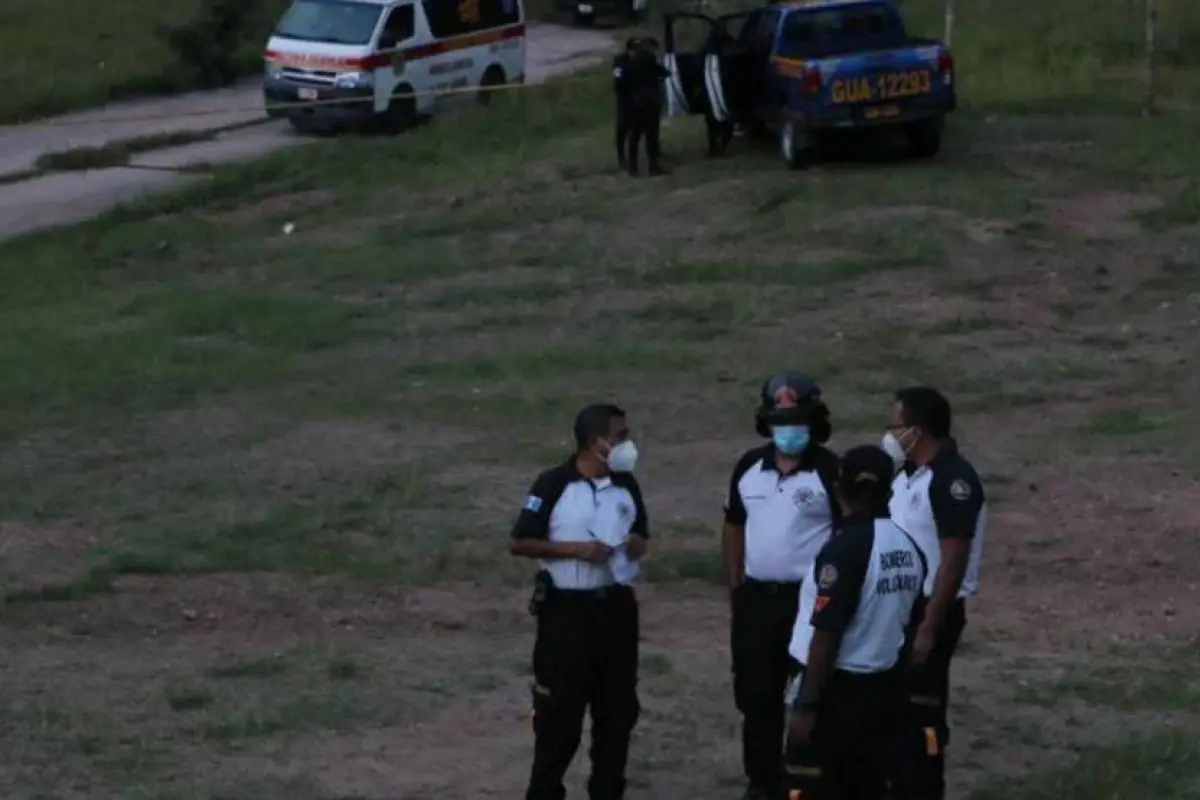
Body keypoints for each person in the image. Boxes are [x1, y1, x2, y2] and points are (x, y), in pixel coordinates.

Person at [509, 403, 651, 800]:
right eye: (620, 437)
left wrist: (637, 545)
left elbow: (640, 533)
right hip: (566, 612)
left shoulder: (627, 486)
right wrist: (576, 550)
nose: (628, 444)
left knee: (617, 711)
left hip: (616, 608)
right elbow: (521, 542)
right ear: (595, 443)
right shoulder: (554, 484)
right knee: (559, 713)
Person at [783, 444, 928, 800]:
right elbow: (910, 627)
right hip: (882, 688)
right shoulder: (910, 548)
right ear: (889, 491)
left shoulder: (845, 549)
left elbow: (827, 634)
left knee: (818, 788)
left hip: (837, 694)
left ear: (839, 488)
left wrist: (807, 705)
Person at [722, 372, 840, 800]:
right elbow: (733, 526)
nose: (789, 430)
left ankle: (807, 777)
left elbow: (848, 535)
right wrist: (736, 585)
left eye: (797, 420)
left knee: (811, 691)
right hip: (756, 600)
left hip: (808, 602)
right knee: (756, 694)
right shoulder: (748, 468)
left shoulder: (831, 471)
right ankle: (762, 781)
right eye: (780, 420)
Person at [882, 386, 987, 800]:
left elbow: (953, 560)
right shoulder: (907, 476)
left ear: (917, 430)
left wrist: (929, 626)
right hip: (900, 607)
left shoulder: (953, 480)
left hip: (931, 608)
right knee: (895, 710)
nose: (892, 435)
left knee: (921, 710)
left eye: (897, 426)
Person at [625, 37, 669, 177]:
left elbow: (627, 81)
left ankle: (633, 168)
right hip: (651, 100)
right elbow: (663, 72)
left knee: (635, 136)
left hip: (637, 100)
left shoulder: (631, 62)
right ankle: (653, 166)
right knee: (652, 135)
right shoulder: (649, 58)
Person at [701, 27, 736, 157]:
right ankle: (718, 147)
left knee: (713, 123)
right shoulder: (730, 48)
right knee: (723, 122)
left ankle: (715, 148)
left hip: (712, 90)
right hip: (722, 90)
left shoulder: (707, 50)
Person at [612, 38, 637, 170]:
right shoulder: (620, 61)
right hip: (625, 97)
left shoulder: (639, 59)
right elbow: (618, 77)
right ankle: (621, 156)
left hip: (637, 97)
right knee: (623, 127)